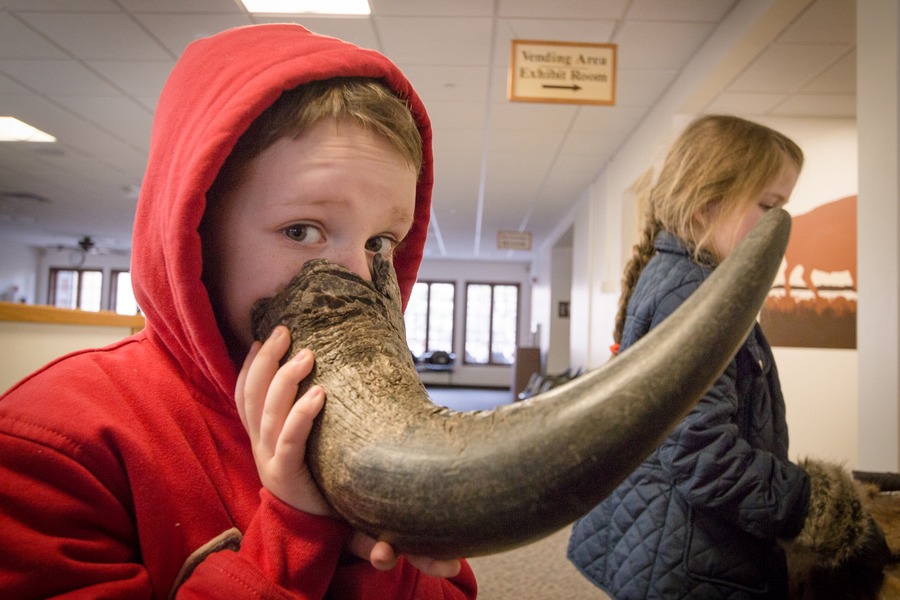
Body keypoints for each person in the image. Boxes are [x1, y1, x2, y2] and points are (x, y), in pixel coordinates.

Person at [0, 24, 477, 598]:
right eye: (302, 230)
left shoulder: (380, 415)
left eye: (380, 242)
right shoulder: (52, 442)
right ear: (195, 235)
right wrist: (297, 533)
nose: (359, 278)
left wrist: (370, 548)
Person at [567, 115, 888, 598]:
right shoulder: (693, 293)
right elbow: (702, 454)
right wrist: (816, 509)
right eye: (769, 207)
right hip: (691, 559)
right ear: (705, 205)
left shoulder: (687, 281)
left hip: (676, 543)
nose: (780, 227)